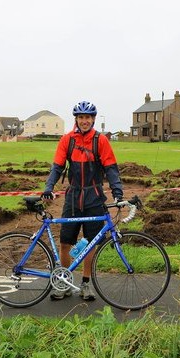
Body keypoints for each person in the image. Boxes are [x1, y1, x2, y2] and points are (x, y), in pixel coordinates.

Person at [42, 101, 123, 301]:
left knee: (90, 242)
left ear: (93, 119)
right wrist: (49, 187)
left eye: (88, 117)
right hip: (73, 196)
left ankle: (86, 283)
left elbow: (111, 168)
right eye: (81, 118)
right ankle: (63, 281)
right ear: (76, 119)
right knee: (65, 242)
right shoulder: (67, 140)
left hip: (94, 197)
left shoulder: (100, 141)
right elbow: (57, 167)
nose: (84, 121)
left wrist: (118, 193)